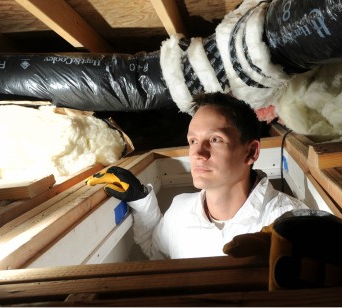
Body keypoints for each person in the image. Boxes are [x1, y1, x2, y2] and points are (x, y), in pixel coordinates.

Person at [86, 92, 308, 260]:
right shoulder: (179, 211)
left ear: (251, 152)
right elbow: (156, 249)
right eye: (193, 141)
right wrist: (142, 202)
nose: (198, 153)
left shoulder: (288, 221)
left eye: (215, 139)